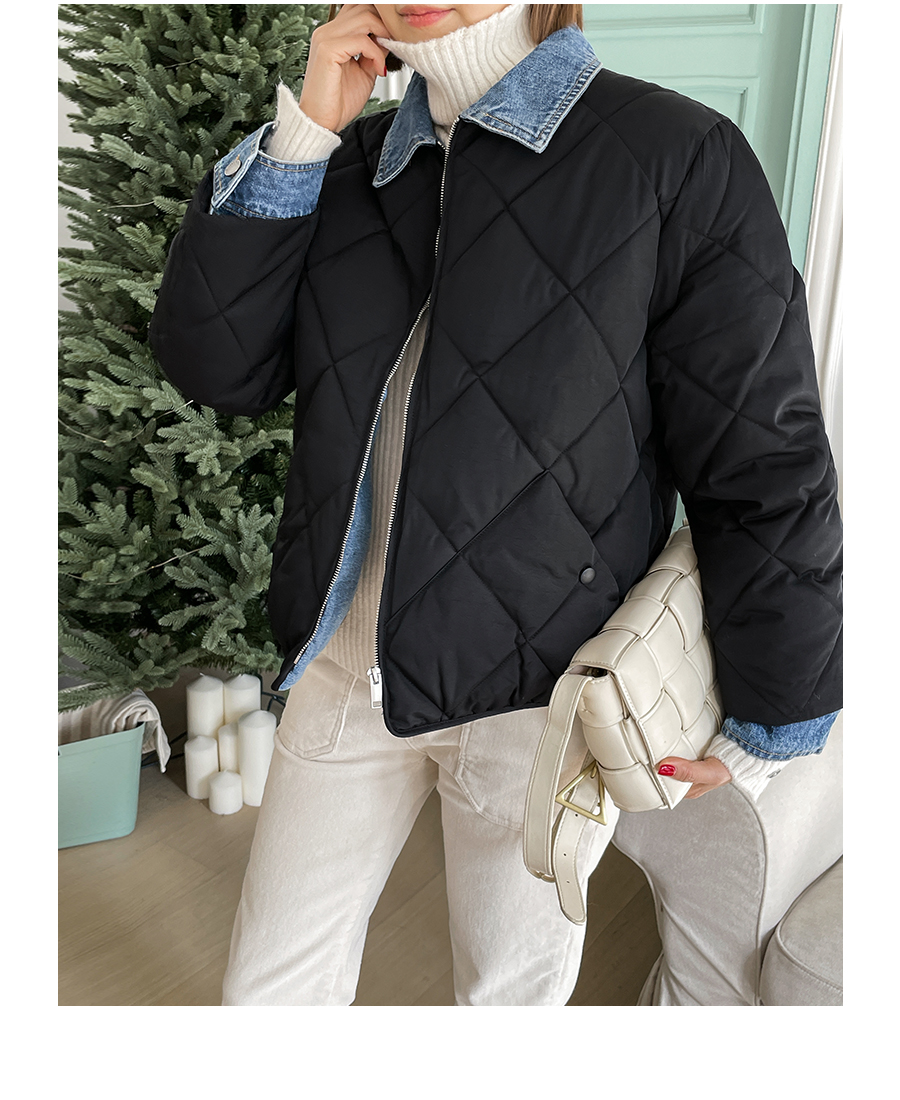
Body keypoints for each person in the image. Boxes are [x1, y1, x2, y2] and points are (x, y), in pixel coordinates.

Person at [149, 4, 843, 1006]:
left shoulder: (676, 156)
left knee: (505, 1008)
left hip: (539, 700)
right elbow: (219, 368)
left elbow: (761, 452)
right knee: (267, 993)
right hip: (345, 667)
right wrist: (304, 134)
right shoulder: (353, 164)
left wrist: (775, 716)